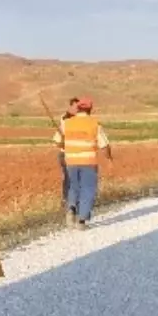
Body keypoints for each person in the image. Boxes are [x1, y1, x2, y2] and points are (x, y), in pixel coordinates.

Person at [54, 97, 113, 229]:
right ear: (90, 109)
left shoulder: (66, 123)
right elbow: (104, 145)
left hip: (70, 161)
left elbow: (57, 141)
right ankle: (81, 221)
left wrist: (66, 143)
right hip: (88, 161)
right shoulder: (94, 124)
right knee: (87, 189)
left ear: (78, 109)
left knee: (73, 186)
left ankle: (71, 208)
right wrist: (109, 159)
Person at [58, 97, 80, 206]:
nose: (78, 109)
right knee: (68, 176)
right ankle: (66, 199)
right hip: (65, 152)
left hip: (75, 152)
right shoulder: (65, 118)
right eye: (76, 107)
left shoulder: (77, 118)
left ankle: (73, 199)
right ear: (71, 106)